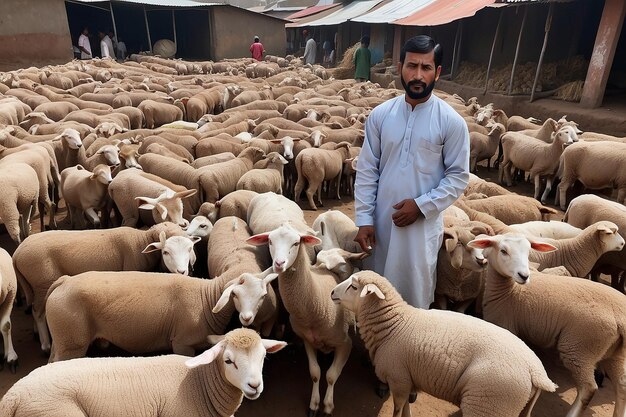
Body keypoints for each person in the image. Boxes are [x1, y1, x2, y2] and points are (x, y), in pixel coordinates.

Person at [353, 35, 470, 309]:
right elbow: (368, 169)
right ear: (400, 67)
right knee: (375, 293)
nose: (418, 75)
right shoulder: (381, 116)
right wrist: (364, 219)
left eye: (426, 68)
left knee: (414, 296)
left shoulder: (451, 122)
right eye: (412, 66)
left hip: (420, 230)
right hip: (381, 224)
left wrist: (421, 206)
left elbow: (457, 177)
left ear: (437, 72)